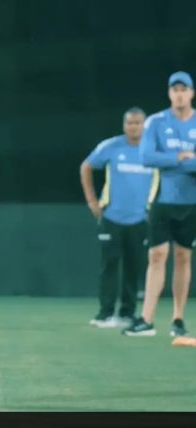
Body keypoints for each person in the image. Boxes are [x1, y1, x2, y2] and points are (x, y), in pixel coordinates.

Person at [123, 71, 196, 337]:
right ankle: (146, 319)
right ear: (169, 94)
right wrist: (179, 158)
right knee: (157, 256)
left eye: (184, 89)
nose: (179, 94)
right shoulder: (156, 122)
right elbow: (146, 157)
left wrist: (178, 161)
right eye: (175, 90)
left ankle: (178, 319)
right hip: (162, 199)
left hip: (191, 202)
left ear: (191, 93)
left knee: (183, 256)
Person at [80, 108, 152, 329]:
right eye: (130, 123)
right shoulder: (111, 146)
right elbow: (86, 166)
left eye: (138, 123)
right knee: (109, 266)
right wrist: (92, 201)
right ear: (124, 125)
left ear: (145, 125)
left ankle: (127, 314)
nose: (134, 127)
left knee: (133, 267)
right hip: (111, 217)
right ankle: (105, 314)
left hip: (140, 219)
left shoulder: (152, 150)